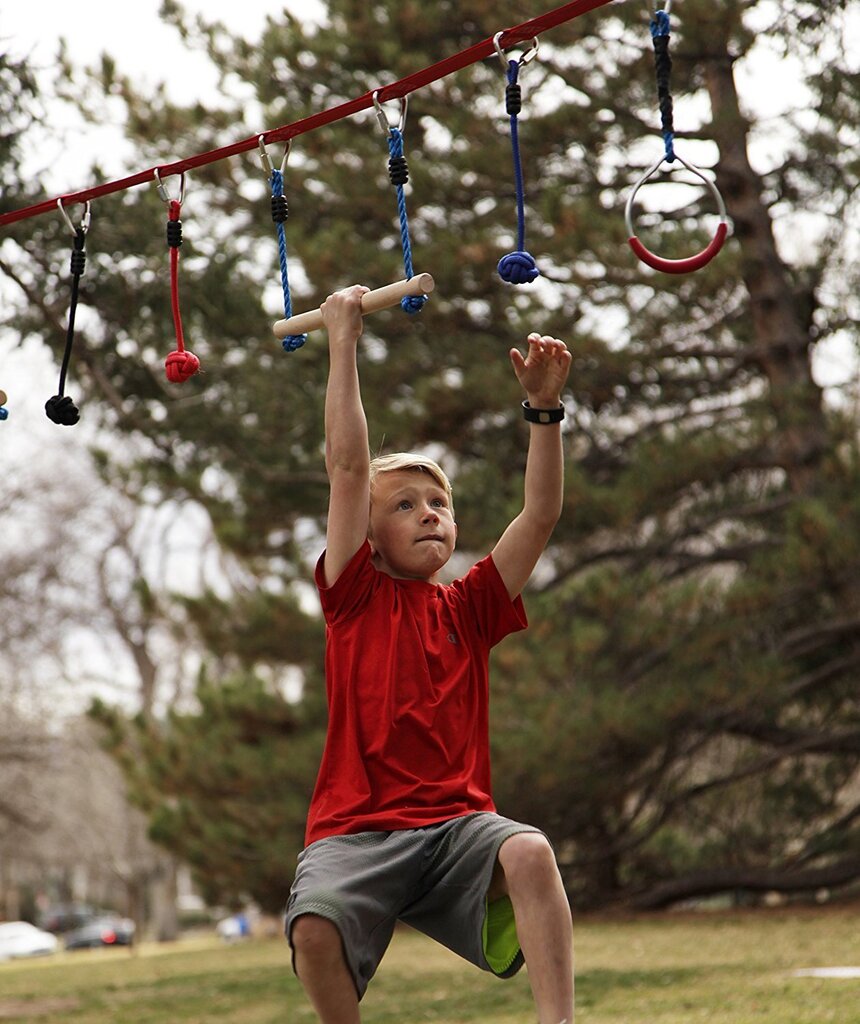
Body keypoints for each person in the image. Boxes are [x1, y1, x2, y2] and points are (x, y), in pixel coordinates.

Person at [285, 285, 574, 1024]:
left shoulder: (470, 607)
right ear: (370, 537)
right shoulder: (353, 594)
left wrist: (543, 414)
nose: (428, 514)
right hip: (355, 831)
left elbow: (538, 516)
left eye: (439, 504)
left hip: (455, 829)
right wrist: (342, 341)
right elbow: (349, 469)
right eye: (405, 505)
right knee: (313, 928)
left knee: (532, 852)